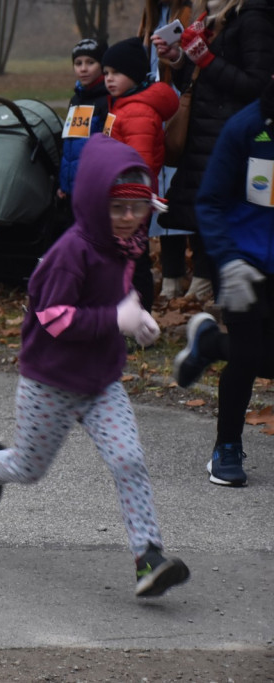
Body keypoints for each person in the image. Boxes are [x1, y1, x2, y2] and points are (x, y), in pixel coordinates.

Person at [0, 134, 190, 599]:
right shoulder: (71, 253)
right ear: (94, 203)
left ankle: (148, 557)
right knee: (29, 470)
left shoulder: (125, 245)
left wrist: (136, 317)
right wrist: (116, 318)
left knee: (129, 460)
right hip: (49, 380)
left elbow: (113, 295)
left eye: (137, 208)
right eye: (117, 208)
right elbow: (52, 319)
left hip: (101, 381)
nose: (130, 218)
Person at [171, 76, 274, 487]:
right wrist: (229, 260)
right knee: (249, 357)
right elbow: (209, 201)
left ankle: (211, 344)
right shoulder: (245, 127)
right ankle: (226, 449)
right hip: (241, 260)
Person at [153, 0, 274, 301]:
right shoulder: (209, 19)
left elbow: (258, 86)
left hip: (234, 135)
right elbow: (201, 80)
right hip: (205, 132)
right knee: (203, 208)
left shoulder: (253, 18)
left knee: (226, 210)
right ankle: (217, 293)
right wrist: (180, 59)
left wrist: (204, 58)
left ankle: (223, 294)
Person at [102, 37, 180, 312]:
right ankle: (123, 315)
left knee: (133, 261)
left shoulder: (137, 111)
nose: (109, 79)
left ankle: (139, 320)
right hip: (121, 197)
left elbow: (141, 162)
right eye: (107, 73)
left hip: (132, 201)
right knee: (123, 259)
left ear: (134, 75)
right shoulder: (122, 105)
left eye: (116, 73)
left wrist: (132, 201)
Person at [136, 0, 194, 299]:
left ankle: (194, 273)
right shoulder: (148, 17)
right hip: (152, 105)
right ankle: (171, 272)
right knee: (159, 188)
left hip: (179, 105)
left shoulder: (190, 11)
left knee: (183, 183)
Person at [58, 38, 109, 201]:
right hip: (71, 191)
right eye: (78, 63)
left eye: (90, 62)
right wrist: (64, 184)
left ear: (102, 65)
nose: (83, 69)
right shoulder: (75, 100)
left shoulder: (107, 100)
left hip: (95, 189)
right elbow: (70, 144)